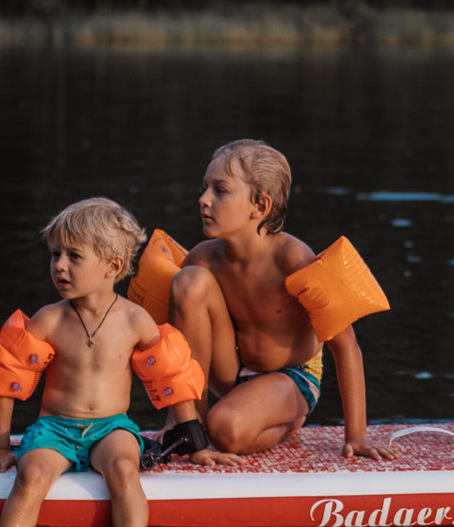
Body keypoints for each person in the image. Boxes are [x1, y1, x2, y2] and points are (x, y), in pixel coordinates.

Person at [0, 197, 202, 527]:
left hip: (111, 428)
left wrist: (196, 444)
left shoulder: (135, 320)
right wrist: (0, 448)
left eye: (74, 256)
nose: (59, 266)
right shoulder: (48, 320)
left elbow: (172, 376)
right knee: (31, 474)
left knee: (124, 469)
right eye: (55, 254)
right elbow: (7, 379)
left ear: (112, 266)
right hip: (54, 429)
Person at [160, 140, 385, 460]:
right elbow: (177, 346)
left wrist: (357, 435)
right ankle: (189, 422)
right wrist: (175, 417)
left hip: (292, 376)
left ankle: (285, 421)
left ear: (260, 206)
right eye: (205, 187)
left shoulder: (294, 259)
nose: (203, 199)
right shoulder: (203, 259)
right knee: (188, 282)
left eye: (220, 191)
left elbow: (347, 347)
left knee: (224, 430)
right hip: (231, 372)